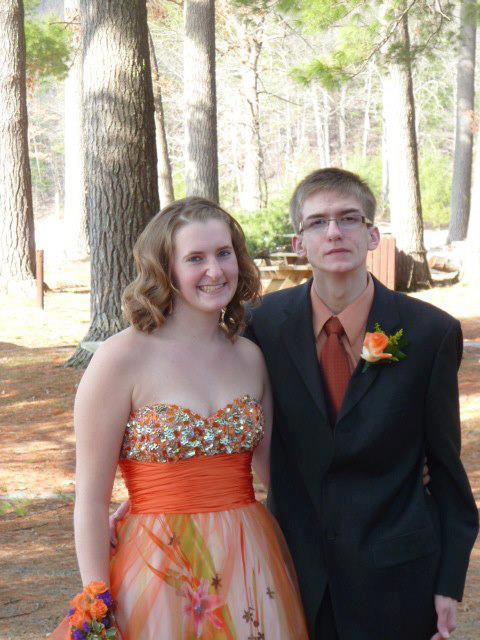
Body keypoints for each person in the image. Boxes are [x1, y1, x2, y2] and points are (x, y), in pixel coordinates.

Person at [51, 198, 309, 639]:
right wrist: (96, 600)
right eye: (195, 258)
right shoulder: (121, 358)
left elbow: (276, 473)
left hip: (248, 556)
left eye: (223, 253)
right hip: (155, 564)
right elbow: (91, 500)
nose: (215, 270)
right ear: (165, 269)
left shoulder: (250, 357)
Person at [241, 168, 478, 639]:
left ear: (372, 236)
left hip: (397, 578)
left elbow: (446, 468)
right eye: (318, 222)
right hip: (294, 570)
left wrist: (448, 584)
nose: (334, 232)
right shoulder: (263, 326)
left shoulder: (430, 333)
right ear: (299, 243)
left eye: (349, 218)